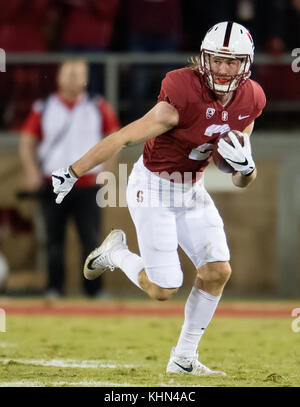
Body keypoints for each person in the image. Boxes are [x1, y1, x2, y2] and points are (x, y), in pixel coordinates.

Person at [51, 22, 266, 375]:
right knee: (164, 288)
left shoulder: (252, 99)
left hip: (191, 189)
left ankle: (183, 359)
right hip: (152, 187)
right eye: (217, 60)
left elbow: (243, 180)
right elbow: (123, 137)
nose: (224, 69)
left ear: (247, 64)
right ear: (204, 58)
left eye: (233, 62)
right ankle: (116, 253)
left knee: (216, 272)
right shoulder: (180, 95)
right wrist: (73, 172)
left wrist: (247, 167)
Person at [19, 59, 120, 298]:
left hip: (88, 185)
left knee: (92, 240)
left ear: (85, 78)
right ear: (59, 77)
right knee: (53, 240)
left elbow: (115, 139)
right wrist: (32, 171)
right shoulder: (44, 107)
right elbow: (27, 140)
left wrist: (107, 170)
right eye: (69, 74)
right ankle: (54, 288)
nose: (74, 79)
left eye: (78, 74)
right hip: (53, 183)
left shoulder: (98, 106)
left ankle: (95, 291)